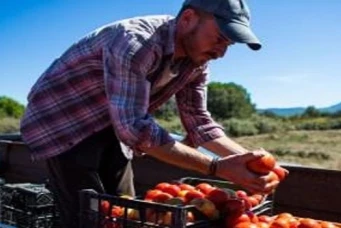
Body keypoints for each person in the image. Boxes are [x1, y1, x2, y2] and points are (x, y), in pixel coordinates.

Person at [20, 0, 283, 227]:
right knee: (87, 216)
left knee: (125, 213)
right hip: (61, 123)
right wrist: (216, 167)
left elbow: (199, 122)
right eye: (219, 39)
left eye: (229, 45)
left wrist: (249, 160)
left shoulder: (196, 63)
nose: (221, 52)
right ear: (189, 18)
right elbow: (134, 128)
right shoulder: (135, 41)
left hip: (112, 124)